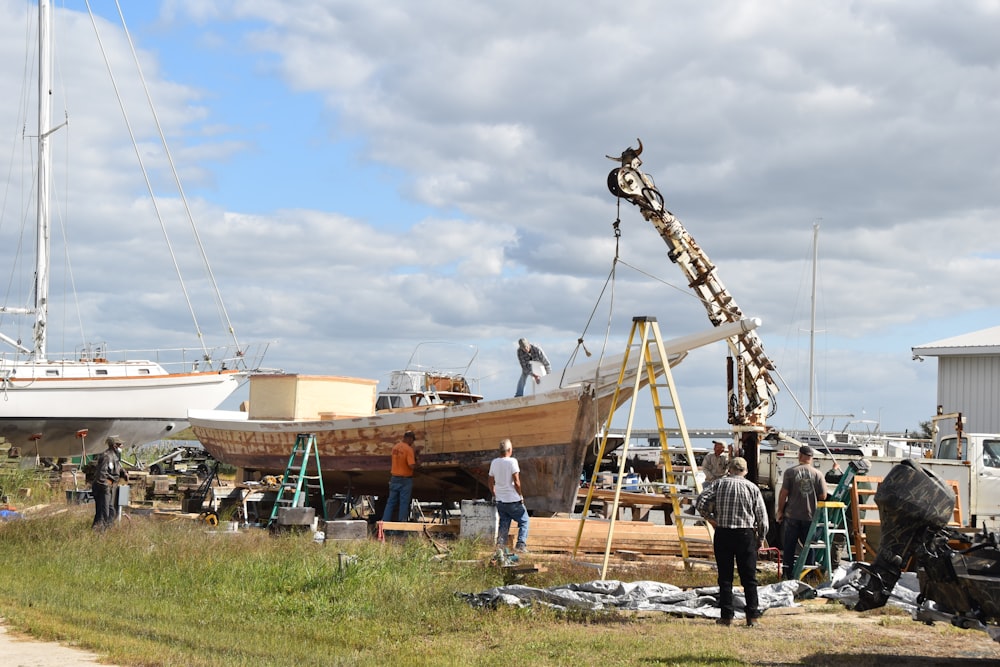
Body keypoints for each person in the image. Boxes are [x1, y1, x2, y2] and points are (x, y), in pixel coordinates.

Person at [695, 456, 768, 627]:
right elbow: (762, 518)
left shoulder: (719, 484)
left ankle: (726, 616)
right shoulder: (752, 488)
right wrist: (761, 538)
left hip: (724, 533)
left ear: (730, 469)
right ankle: (752, 616)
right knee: (749, 578)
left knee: (725, 577)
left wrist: (711, 519)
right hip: (745, 534)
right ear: (745, 471)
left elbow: (700, 502)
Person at [776, 445, 828, 580]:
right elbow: (823, 496)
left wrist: (780, 511)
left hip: (792, 515)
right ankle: (809, 574)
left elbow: (783, 494)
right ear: (811, 458)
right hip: (810, 516)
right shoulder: (818, 474)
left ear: (800, 456)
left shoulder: (790, 472)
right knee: (809, 546)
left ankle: (787, 573)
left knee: (789, 546)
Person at [488, 438, 529, 553]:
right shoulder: (512, 461)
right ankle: (520, 545)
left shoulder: (494, 462)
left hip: (501, 500)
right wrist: (520, 495)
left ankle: (500, 547)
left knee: (504, 523)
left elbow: (490, 481)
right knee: (524, 521)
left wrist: (494, 494)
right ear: (510, 450)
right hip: (513, 499)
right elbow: (516, 481)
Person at [382, 431, 419, 523]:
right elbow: (411, 465)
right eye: (412, 440)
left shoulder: (395, 447)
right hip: (405, 480)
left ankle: (384, 524)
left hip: (394, 478)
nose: (412, 443)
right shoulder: (408, 449)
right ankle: (402, 526)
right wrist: (418, 465)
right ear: (409, 438)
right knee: (403, 503)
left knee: (390, 503)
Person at [91, 436, 127, 530]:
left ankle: (107, 529)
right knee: (104, 511)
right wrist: (106, 488)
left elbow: (117, 467)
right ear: (114, 446)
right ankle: (100, 532)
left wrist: (123, 473)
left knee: (110, 510)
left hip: (109, 486)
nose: (122, 446)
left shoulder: (114, 456)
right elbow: (101, 475)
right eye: (120, 445)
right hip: (103, 487)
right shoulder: (106, 456)